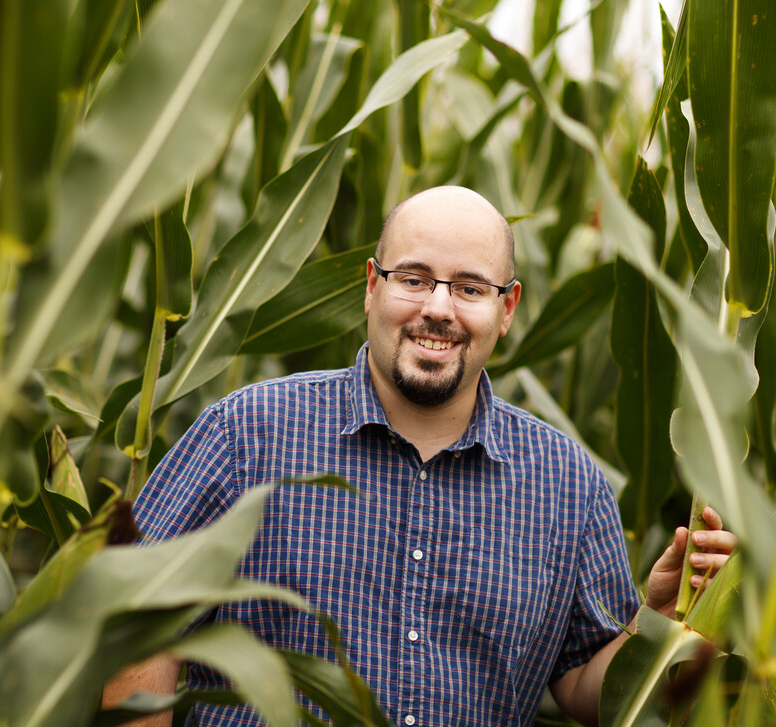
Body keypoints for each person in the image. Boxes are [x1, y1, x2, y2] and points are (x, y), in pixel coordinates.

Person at [103, 186, 736, 726]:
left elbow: (585, 692)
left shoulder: (567, 484)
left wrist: (663, 624)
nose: (437, 309)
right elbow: (134, 623)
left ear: (506, 308)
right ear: (371, 287)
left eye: (469, 288)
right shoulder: (246, 435)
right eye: (414, 279)